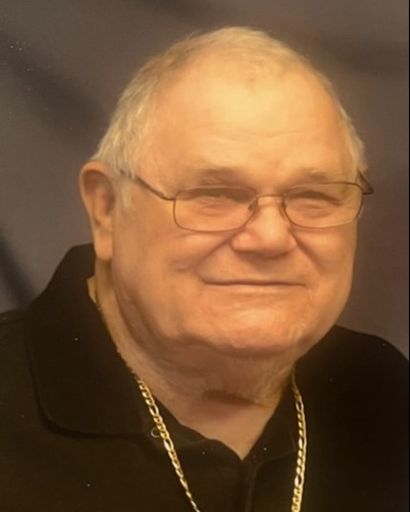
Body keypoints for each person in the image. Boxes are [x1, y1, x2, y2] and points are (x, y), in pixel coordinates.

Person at [0, 27, 407, 512]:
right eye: (214, 194)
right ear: (106, 209)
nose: (270, 238)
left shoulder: (385, 389)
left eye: (313, 196)